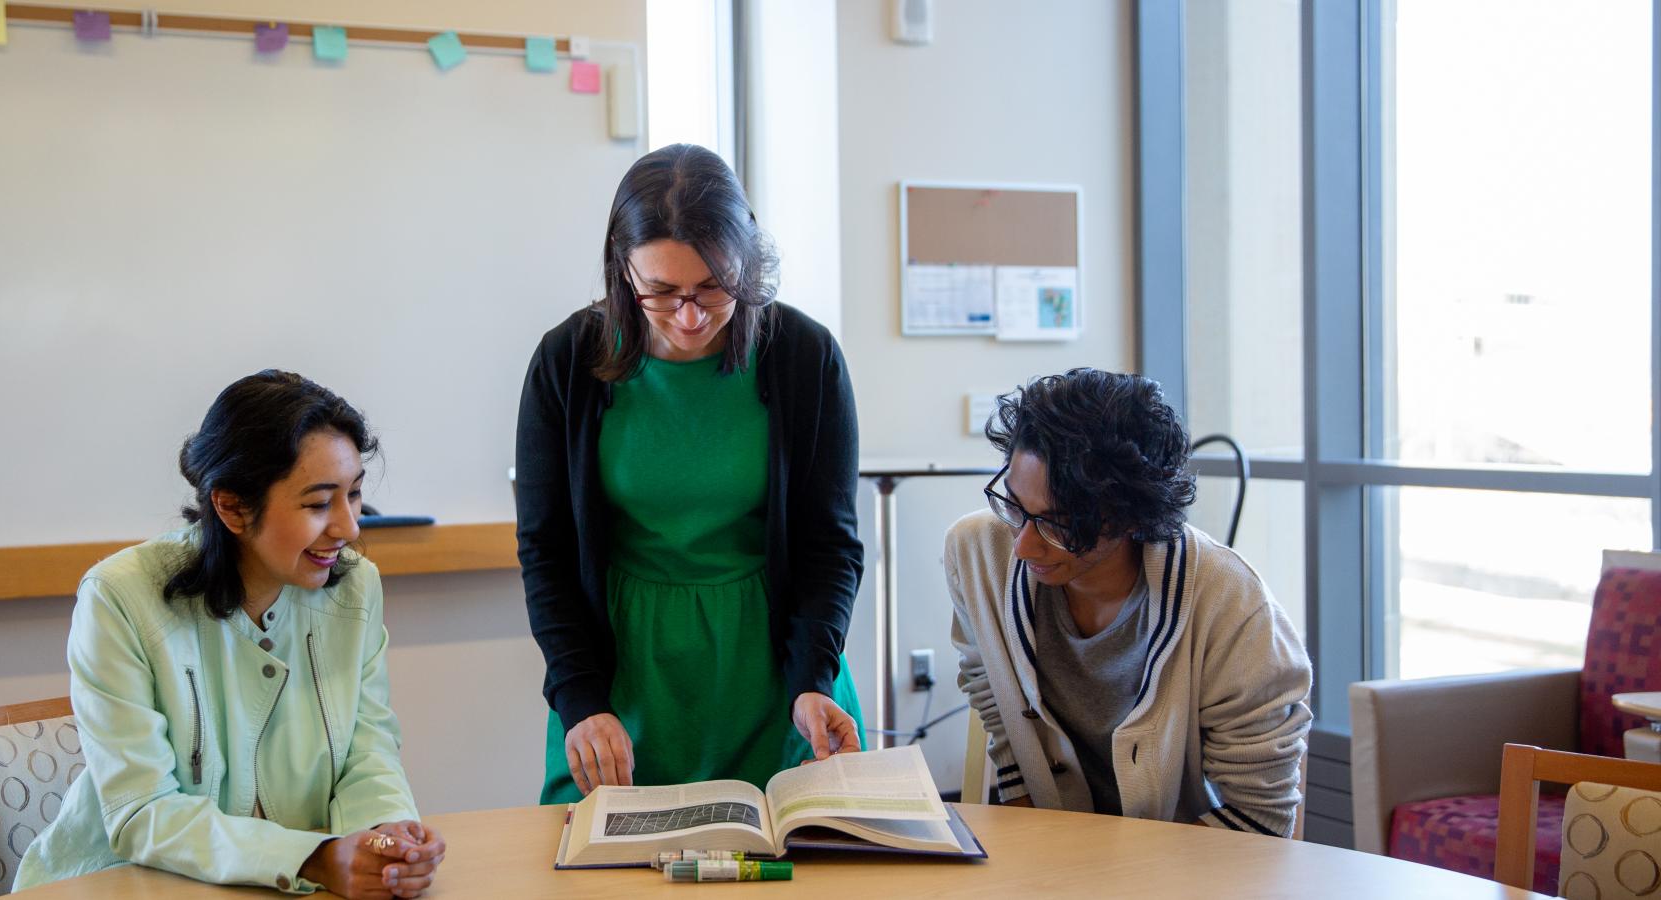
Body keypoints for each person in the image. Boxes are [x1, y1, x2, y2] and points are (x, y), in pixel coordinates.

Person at [516, 144, 867, 803]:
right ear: (623, 271)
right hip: (622, 679)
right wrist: (580, 697)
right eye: (661, 292)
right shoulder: (566, 362)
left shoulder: (804, 357)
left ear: (749, 266)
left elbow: (830, 545)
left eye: (714, 289)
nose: (689, 317)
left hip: (778, 673)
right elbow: (547, 551)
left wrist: (814, 680)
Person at [16, 371, 445, 898]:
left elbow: (368, 749)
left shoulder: (355, 588)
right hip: (117, 886)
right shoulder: (120, 595)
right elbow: (142, 811)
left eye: (354, 495)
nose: (349, 527)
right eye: (317, 503)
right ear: (233, 507)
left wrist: (385, 837)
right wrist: (314, 859)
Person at [946, 368, 1311, 836]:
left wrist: (1114, 876)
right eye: (1014, 506)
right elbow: (988, 683)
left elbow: (1259, 815)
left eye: (1058, 525)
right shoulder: (978, 554)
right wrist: (1036, 839)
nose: (1023, 546)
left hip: (1194, 866)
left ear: (1130, 514)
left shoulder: (1232, 606)